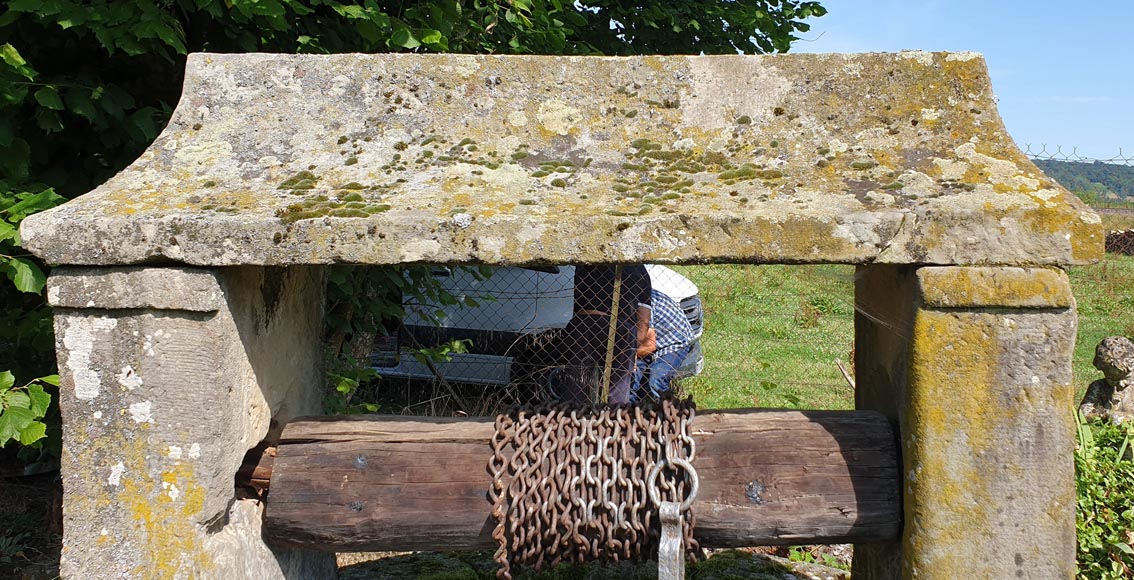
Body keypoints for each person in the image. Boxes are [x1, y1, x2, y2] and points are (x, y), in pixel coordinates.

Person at [554, 264, 652, 405]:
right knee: (618, 387)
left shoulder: (587, 261)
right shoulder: (639, 269)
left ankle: (574, 416)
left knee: (577, 385)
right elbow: (643, 320)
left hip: (584, 324)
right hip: (621, 327)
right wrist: (633, 350)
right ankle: (614, 417)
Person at [632, 288, 694, 402]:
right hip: (653, 341)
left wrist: (628, 356)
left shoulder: (641, 302)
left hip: (674, 342)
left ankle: (664, 411)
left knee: (656, 380)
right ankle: (633, 412)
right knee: (632, 379)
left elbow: (649, 344)